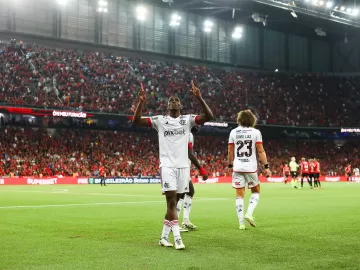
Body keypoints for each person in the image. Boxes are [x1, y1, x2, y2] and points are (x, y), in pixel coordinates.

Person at [132, 81, 214, 250]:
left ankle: (163, 237)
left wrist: (199, 97)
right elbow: (137, 120)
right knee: (171, 202)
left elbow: (209, 116)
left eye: (177, 100)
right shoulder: (160, 120)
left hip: (183, 167)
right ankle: (177, 239)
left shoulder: (188, 120)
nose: (174, 102)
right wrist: (141, 102)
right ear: (168, 105)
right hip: (167, 165)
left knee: (175, 202)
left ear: (181, 105)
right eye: (171, 100)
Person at [227, 110, 271, 230]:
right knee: (256, 192)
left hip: (237, 168)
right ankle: (249, 213)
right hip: (251, 168)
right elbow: (261, 151)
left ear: (239, 119)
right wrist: (266, 167)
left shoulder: (233, 132)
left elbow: (230, 151)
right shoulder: (256, 132)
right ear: (252, 120)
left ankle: (241, 224)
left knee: (239, 196)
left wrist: (230, 165)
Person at [177, 127, 208, 231]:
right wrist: (201, 169)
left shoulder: (181, 133)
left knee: (190, 192)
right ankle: (175, 223)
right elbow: (190, 154)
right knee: (181, 194)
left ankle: (185, 220)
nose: (198, 126)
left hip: (180, 166)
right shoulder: (188, 135)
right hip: (181, 167)